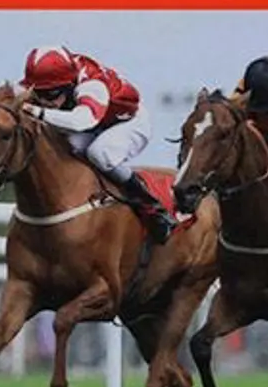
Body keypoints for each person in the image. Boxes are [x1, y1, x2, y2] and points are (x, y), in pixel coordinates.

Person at [21, 43, 175, 243]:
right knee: (66, 146)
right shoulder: (55, 77)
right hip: (96, 124)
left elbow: (82, 121)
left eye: (50, 95)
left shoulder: (92, 85)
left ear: (69, 84)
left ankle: (151, 207)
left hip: (128, 122)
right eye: (38, 94)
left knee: (100, 153)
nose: (44, 101)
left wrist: (38, 112)